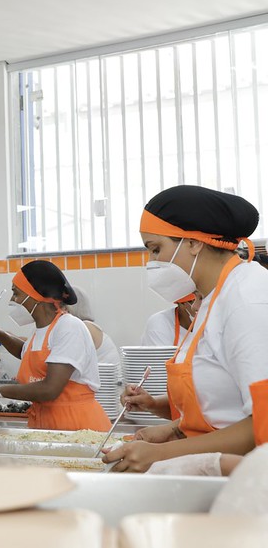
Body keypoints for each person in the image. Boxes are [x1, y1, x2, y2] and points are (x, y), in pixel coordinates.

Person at [104, 185, 268, 472]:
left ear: (194, 243)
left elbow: (263, 421)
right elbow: (222, 403)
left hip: (243, 478)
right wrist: (175, 429)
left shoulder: (247, 300)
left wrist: (163, 454)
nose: (152, 262)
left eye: (156, 249)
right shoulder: (210, 301)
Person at [0, 260, 112, 432]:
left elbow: (50, 389)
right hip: (47, 422)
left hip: (77, 426)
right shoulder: (42, 330)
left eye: (16, 293)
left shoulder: (69, 326)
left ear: (36, 296)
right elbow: (25, 352)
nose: (12, 300)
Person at [123, 292, 201, 420]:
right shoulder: (160, 323)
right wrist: (151, 404)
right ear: (180, 304)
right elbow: (163, 378)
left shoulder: (212, 324)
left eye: (201, 299)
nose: (196, 306)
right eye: (192, 301)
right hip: (167, 409)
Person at [64, 285, 120, 366]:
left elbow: (67, 362)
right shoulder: (89, 326)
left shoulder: (85, 328)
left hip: (105, 377)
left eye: (63, 306)